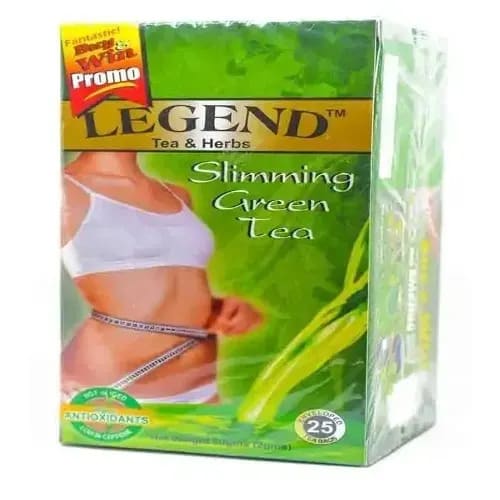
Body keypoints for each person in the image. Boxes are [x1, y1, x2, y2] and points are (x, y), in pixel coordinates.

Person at [61, 151, 262, 403]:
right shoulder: (64, 189)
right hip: (111, 385)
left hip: (203, 385)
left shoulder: (177, 195)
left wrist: (219, 309)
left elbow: (163, 284)